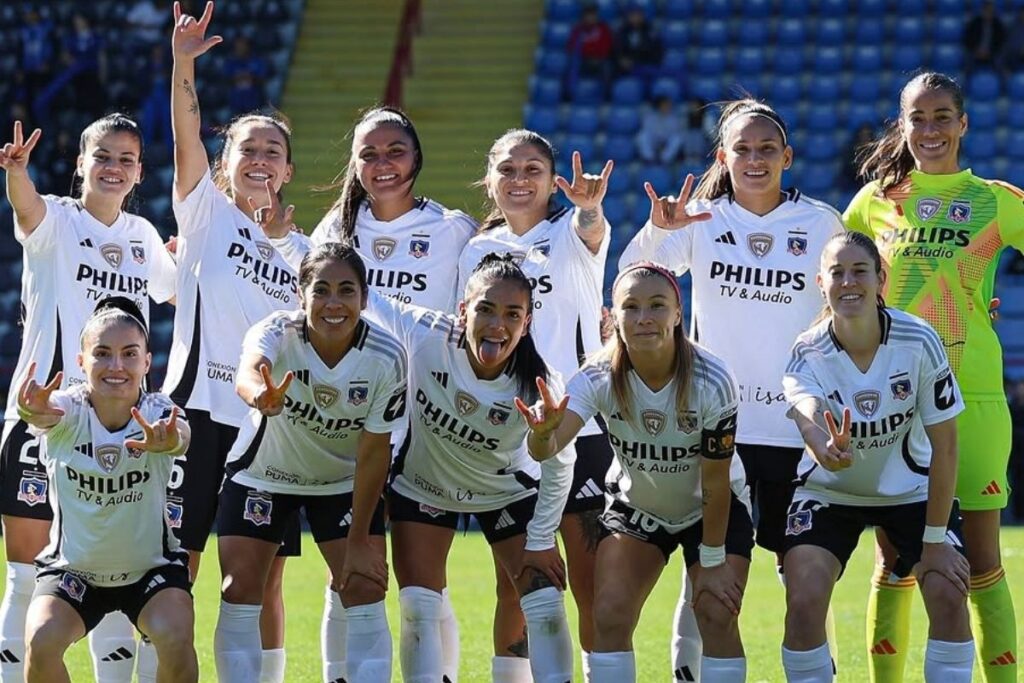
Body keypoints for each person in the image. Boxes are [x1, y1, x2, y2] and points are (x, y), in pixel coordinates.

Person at [620, 97, 845, 680]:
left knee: (807, 584)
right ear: (724, 156)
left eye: (767, 148)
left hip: (799, 434)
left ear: (787, 157)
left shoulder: (820, 223)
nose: (754, 159)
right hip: (719, 433)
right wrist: (654, 230)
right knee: (707, 577)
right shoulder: (701, 217)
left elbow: (850, 306)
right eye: (741, 149)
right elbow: (631, 287)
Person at [845, 71, 1022, 683]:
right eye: (917, 118)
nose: (930, 129)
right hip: (893, 401)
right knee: (894, 560)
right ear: (903, 125)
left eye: (942, 115)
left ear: (963, 123)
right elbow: (837, 288)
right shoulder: (873, 202)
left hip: (973, 396)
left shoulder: (997, 199)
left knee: (981, 562)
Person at [0, 114, 177, 683]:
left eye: (126, 159)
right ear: (82, 163)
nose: (113, 167)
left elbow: (179, 285)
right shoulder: (56, 219)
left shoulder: (143, 237)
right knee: (28, 573)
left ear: (139, 172)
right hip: (43, 415)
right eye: (103, 156)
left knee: (115, 569)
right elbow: (24, 208)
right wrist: (18, 174)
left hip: (126, 426)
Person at [518, 262, 752, 682]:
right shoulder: (596, 376)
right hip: (638, 508)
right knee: (608, 613)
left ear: (677, 314)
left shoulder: (712, 379)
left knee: (716, 611)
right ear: (612, 317)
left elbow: (715, 482)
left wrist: (713, 561)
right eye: (631, 307)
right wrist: (540, 435)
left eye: (657, 305)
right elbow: (547, 448)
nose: (644, 318)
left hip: (711, 510)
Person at [167, 3, 311, 681]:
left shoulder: (308, 258)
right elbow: (184, 129)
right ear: (223, 164)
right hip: (192, 420)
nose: (259, 159)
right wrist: (184, 63)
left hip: (265, 434)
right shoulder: (203, 209)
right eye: (247, 149)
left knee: (258, 585)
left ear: (286, 173)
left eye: (271, 152)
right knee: (172, 575)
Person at [311, 106, 475, 683]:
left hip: (426, 426)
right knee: (346, 571)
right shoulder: (332, 234)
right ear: (354, 163)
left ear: (417, 157)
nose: (382, 164)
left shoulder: (454, 231)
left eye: (394, 151)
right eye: (369, 154)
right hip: (344, 423)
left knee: (421, 581)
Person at [371, 253, 575, 683]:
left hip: (507, 493)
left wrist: (540, 539)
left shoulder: (542, 385)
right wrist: (288, 242)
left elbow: (560, 465)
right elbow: (361, 296)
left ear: (527, 323)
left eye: (512, 314)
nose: (497, 324)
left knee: (542, 602)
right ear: (463, 311)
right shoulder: (425, 332)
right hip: (426, 486)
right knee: (418, 607)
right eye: (485, 308)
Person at [780, 231, 974, 682]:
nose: (849, 282)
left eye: (859, 271)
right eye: (837, 272)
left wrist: (934, 541)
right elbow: (806, 415)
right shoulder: (807, 350)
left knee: (948, 590)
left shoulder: (918, 340)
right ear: (820, 283)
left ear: (880, 279)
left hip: (910, 491)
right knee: (804, 597)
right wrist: (823, 447)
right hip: (829, 493)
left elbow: (945, 445)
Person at [458, 129, 614, 680]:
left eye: (532, 170)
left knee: (593, 582)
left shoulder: (571, 231)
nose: (519, 180)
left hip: (581, 428)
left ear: (552, 182)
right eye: (507, 169)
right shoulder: (476, 251)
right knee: (517, 582)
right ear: (490, 180)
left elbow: (592, 232)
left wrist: (590, 210)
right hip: (507, 436)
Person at [213, 243, 406, 683]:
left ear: (364, 296)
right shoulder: (277, 331)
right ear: (301, 296)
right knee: (239, 588)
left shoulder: (387, 356)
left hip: (341, 481)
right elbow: (249, 369)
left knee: (363, 585)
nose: (333, 303)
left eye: (346, 290)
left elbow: (377, 450)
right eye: (321, 290)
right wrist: (258, 396)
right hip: (264, 474)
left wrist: (359, 539)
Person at [16, 298, 196, 683]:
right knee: (42, 640)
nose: (116, 366)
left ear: (147, 362)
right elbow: (46, 413)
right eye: (102, 353)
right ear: (81, 362)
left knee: (177, 636)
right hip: (74, 573)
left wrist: (170, 441)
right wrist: (33, 411)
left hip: (150, 571)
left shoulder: (158, 411)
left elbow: (181, 434)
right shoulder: (69, 410)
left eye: (129, 354)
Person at [636, 96, 685, 166]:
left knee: (677, 139)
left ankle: (664, 161)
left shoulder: (673, 119)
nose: (666, 107)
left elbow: (675, 135)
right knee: (642, 136)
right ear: (659, 106)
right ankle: (649, 160)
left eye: (668, 105)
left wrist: (663, 147)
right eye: (664, 105)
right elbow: (647, 134)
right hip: (653, 145)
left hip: (666, 146)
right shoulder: (650, 118)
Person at [963, 1, 1006, 75]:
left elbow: (1001, 42)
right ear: (982, 11)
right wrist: (976, 50)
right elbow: (967, 40)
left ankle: (1001, 84)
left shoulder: (998, 25)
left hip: (992, 53)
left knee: (1000, 64)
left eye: (990, 12)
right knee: (967, 63)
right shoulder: (974, 23)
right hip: (976, 52)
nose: (988, 14)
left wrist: (990, 52)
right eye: (986, 11)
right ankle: (966, 82)